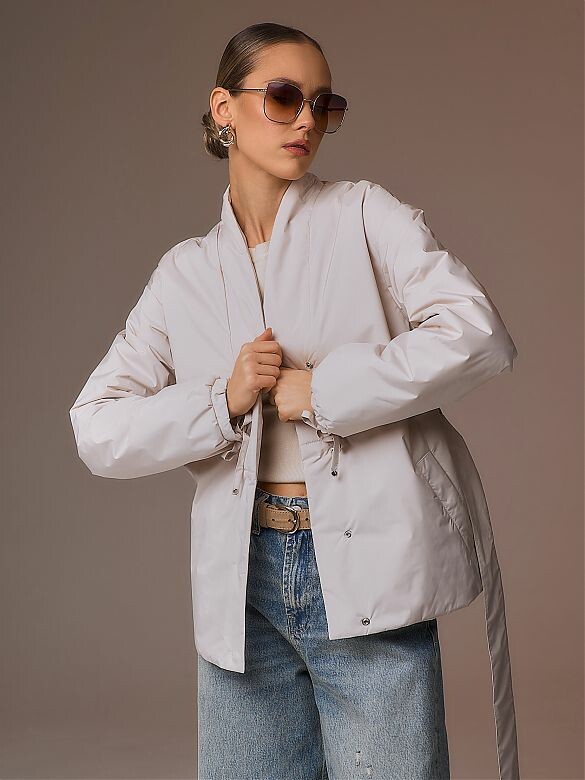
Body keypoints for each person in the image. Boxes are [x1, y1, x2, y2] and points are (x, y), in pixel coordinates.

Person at [69, 22, 520, 780]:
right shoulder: (184, 274)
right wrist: (221, 401)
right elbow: (96, 429)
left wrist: (327, 389)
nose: (306, 119)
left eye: (323, 103)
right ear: (224, 107)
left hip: (367, 575)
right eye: (282, 97)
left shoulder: (364, 215)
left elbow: (477, 335)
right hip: (243, 589)